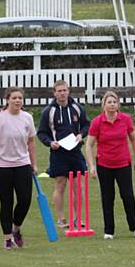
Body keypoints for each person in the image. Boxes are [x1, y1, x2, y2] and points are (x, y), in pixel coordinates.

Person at [0, 87, 37, 250]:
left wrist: (34, 164)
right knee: (6, 202)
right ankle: (7, 238)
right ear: (7, 100)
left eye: (20, 98)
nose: (18, 101)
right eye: (14, 98)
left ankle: (16, 229)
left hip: (22, 163)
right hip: (0, 165)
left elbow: (31, 142)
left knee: (25, 200)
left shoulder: (27, 117)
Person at [85, 91, 135, 239]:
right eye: (109, 102)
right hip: (104, 164)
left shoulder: (126, 119)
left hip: (123, 163)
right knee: (107, 197)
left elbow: (134, 140)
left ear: (118, 104)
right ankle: (109, 230)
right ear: (104, 105)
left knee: (128, 195)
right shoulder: (97, 122)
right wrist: (92, 166)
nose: (112, 105)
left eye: (114, 102)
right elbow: (89, 145)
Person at [37, 80, 90, 228]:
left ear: (69, 91)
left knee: (77, 185)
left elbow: (86, 124)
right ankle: (61, 219)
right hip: (58, 153)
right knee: (60, 184)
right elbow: (41, 132)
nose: (62, 93)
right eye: (59, 91)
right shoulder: (48, 111)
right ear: (54, 93)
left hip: (75, 152)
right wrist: (50, 143)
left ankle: (78, 218)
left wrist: (81, 135)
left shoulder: (77, 108)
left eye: (64, 90)